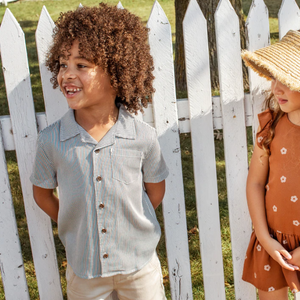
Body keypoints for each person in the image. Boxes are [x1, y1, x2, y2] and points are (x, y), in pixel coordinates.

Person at [30, 4, 169, 300]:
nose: (67, 74)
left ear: (117, 72)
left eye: (81, 65)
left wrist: (128, 223)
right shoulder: (51, 140)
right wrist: (75, 220)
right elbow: (42, 194)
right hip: (85, 270)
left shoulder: (142, 136)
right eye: (63, 63)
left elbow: (154, 192)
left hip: (139, 267)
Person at [241, 30, 300, 300]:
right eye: (274, 78)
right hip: (273, 241)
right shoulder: (271, 126)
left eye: (286, 80)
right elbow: (255, 182)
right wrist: (264, 238)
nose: (277, 88)